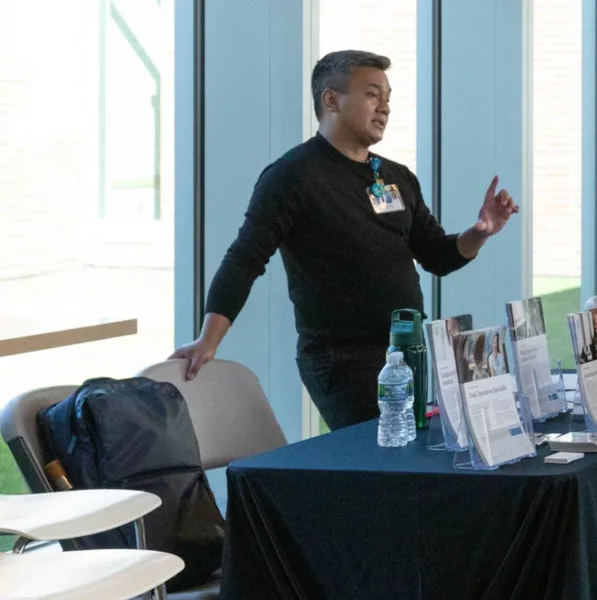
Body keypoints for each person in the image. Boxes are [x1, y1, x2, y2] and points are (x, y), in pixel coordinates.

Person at [169, 50, 518, 430]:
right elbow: (244, 259)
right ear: (331, 100)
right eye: (372, 95)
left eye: (388, 97)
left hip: (406, 351)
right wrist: (208, 340)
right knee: (381, 470)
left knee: (407, 468)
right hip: (342, 360)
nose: (384, 107)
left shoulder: (396, 176)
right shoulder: (293, 176)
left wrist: (480, 232)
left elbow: (437, 255)